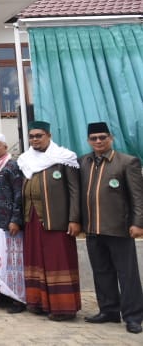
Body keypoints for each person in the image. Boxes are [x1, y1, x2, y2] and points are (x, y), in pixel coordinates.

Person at [79, 122, 143, 334]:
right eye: (94, 138)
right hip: (93, 228)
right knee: (101, 272)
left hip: (119, 228)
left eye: (102, 137)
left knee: (127, 274)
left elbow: (138, 197)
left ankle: (133, 317)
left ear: (111, 138)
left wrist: (137, 223)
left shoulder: (127, 162)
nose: (98, 141)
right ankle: (109, 310)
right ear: (88, 140)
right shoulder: (84, 162)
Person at [17, 120, 81, 321]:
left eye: (39, 136)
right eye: (32, 136)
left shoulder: (64, 158)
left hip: (57, 221)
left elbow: (74, 191)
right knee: (36, 260)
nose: (35, 139)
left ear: (49, 136)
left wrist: (74, 219)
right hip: (32, 218)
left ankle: (63, 308)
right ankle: (38, 303)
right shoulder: (25, 160)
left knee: (57, 262)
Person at [0, 133, 26, 312]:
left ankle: (18, 299)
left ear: (5, 147)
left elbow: (19, 194)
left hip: (8, 223)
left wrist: (16, 220)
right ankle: (1, 295)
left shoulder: (12, 166)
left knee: (11, 262)